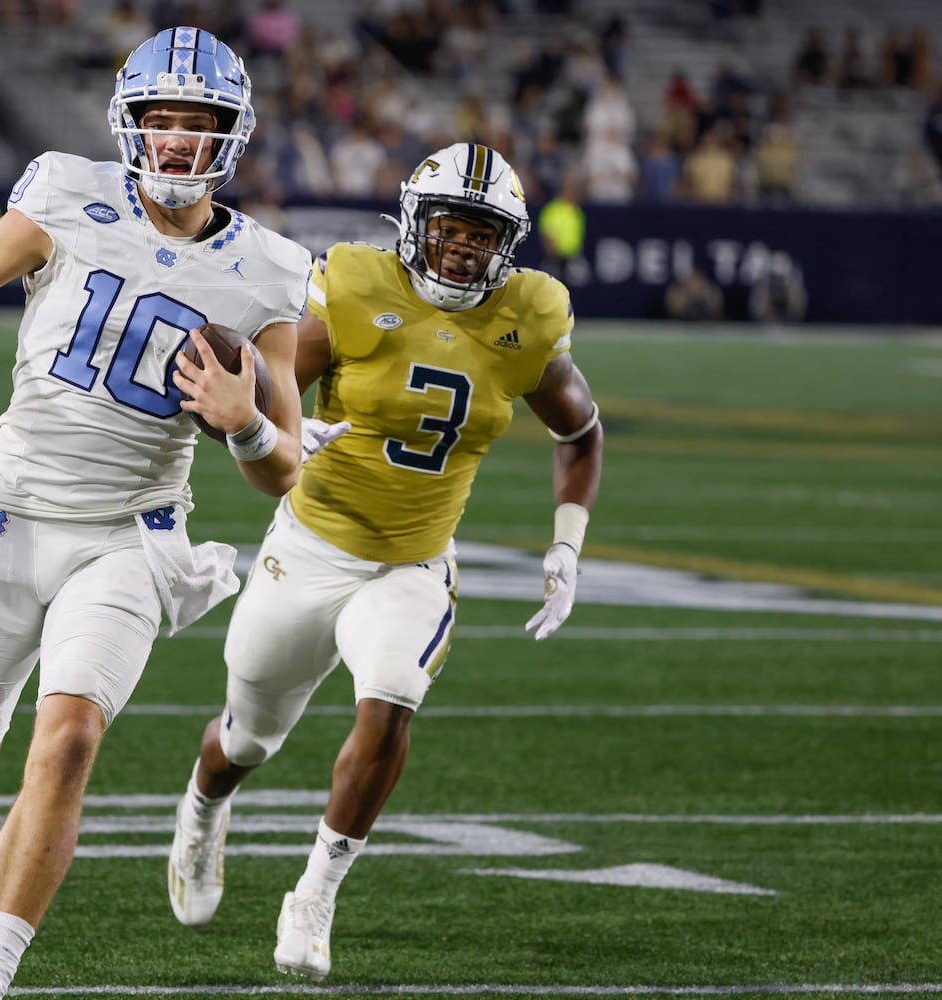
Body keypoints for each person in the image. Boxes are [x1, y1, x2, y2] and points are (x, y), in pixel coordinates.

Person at [0, 27, 311, 1000]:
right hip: (12, 513)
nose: (174, 141)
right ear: (130, 126)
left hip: (133, 534)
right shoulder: (66, 194)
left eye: (196, 123)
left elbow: (287, 468)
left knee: (69, 735)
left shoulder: (272, 270)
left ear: (229, 137)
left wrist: (247, 427)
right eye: (159, 120)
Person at [166, 142, 604, 981]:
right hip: (309, 544)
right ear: (414, 222)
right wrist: (287, 421)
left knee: (390, 701)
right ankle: (200, 810)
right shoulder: (357, 288)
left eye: (484, 234)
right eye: (450, 226)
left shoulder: (527, 317)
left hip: (412, 562)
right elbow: (258, 389)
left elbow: (578, 432)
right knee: (246, 739)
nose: (464, 247)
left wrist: (566, 544)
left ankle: (315, 894)